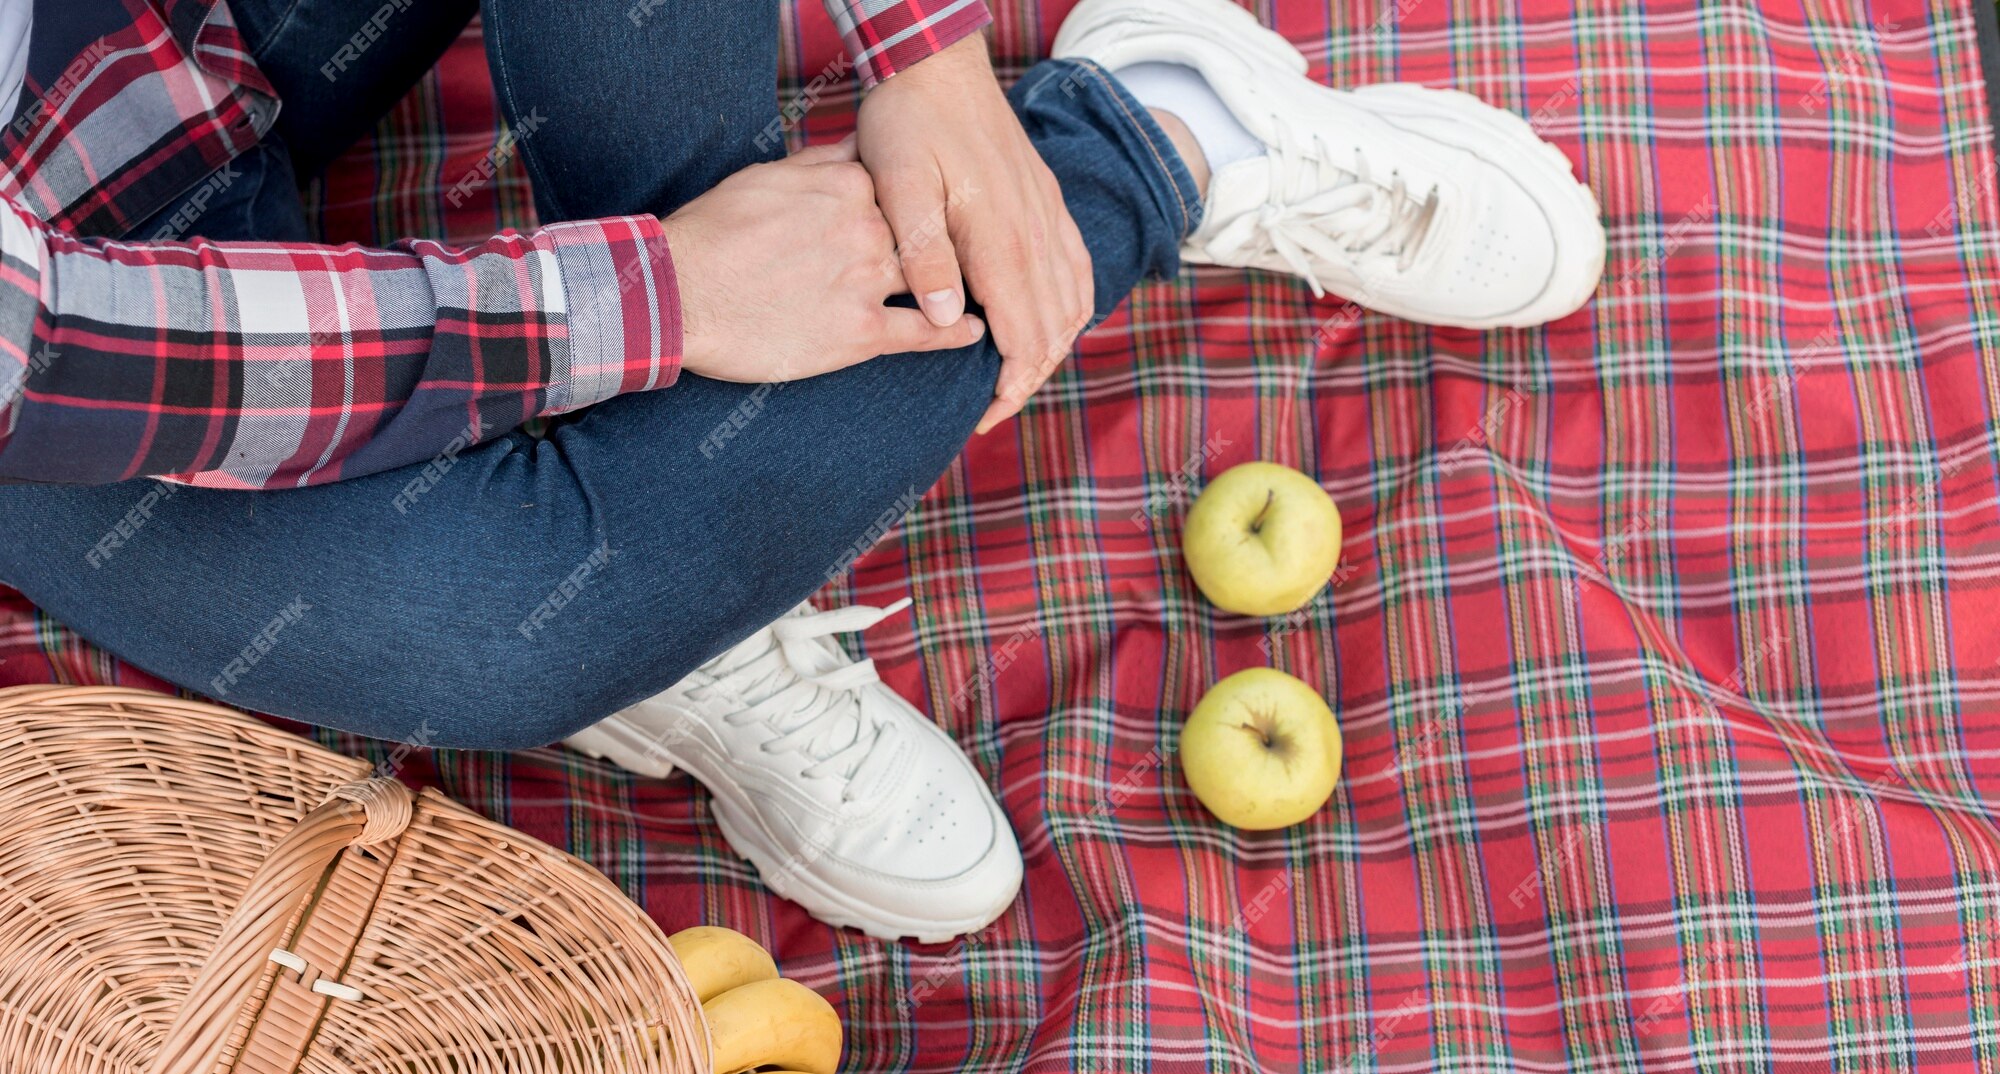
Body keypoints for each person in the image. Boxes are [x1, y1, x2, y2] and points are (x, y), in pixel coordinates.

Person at [0, 0, 1604, 941]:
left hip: (159, 36)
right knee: (489, 626)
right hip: (54, 352)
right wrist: (661, 293)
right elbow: (59, 352)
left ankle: (681, 520)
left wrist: (927, 50)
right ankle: (1169, 143)